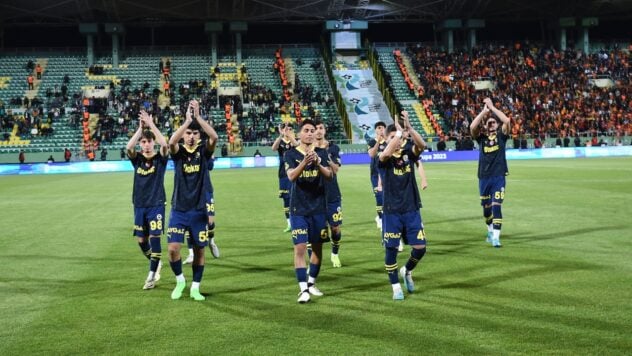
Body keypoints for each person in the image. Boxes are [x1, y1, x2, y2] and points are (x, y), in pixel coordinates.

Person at [166, 99, 218, 301]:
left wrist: (198, 118)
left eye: (195, 133)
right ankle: (180, 281)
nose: (190, 136)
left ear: (199, 135)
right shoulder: (178, 153)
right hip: (179, 209)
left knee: (199, 250)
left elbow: (213, 136)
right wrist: (187, 122)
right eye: (188, 133)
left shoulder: (203, 152)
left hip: (198, 210)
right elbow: (171, 142)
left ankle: (195, 287)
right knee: (173, 249)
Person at [378, 111, 428, 300]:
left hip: (411, 209)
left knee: (420, 248)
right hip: (391, 212)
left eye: (396, 137)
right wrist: (398, 135)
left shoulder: (408, 153)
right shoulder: (383, 159)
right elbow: (385, 154)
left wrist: (409, 128)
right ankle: (395, 287)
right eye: (391, 138)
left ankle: (406, 270)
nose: (395, 140)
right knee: (391, 251)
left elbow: (421, 145)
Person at [285, 119, 333, 303]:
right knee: (300, 247)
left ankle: (312, 283)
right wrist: (305, 162)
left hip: (319, 209)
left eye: (312, 130)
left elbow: (329, 175)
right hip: (299, 209)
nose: (310, 133)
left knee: (317, 248)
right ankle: (303, 289)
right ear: (299, 134)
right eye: (306, 130)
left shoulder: (321, 152)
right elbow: (291, 177)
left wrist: (319, 163)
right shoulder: (290, 154)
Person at [126, 110, 169, 290]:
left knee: (155, 239)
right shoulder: (137, 160)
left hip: (156, 204)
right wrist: (140, 129)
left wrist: (151, 125)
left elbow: (165, 145)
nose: (146, 145)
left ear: (153, 143)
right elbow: (129, 148)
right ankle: (155, 262)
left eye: (149, 141)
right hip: (139, 205)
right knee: (142, 241)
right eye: (143, 142)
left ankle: (151, 276)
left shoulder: (160, 159)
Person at [470, 98, 510, 248]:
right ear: (485, 126)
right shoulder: (481, 139)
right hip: (484, 177)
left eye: (494, 122)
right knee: (487, 210)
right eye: (489, 122)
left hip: (498, 177)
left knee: (496, 205)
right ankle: (490, 229)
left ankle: (496, 238)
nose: (492, 124)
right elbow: (472, 126)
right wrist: (484, 112)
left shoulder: (502, 136)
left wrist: (493, 108)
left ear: (497, 125)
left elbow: (507, 121)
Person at [315, 120, 343, 268]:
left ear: (325, 130)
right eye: (316, 128)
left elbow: (335, 169)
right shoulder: (309, 148)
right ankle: (314, 261)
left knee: (335, 228)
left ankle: (335, 254)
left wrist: (326, 154)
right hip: (314, 195)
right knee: (315, 231)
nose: (318, 131)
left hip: (332, 194)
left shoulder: (334, 148)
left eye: (321, 128)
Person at [184, 155, 220, 264]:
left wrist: (210, 157)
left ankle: (211, 241)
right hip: (190, 193)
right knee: (188, 223)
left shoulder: (204, 150)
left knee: (210, 220)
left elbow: (210, 166)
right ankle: (191, 253)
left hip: (206, 190)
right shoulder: (183, 153)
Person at [271, 123, 298, 232]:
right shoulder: (281, 141)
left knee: (295, 198)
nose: (288, 130)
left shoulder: (295, 141)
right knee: (286, 199)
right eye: (286, 129)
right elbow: (273, 148)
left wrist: (290, 136)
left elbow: (297, 146)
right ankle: (289, 224)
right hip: (283, 173)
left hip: (294, 173)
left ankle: (297, 221)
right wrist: (281, 135)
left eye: (290, 129)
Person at [367, 121, 387, 229]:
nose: (381, 130)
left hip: (386, 173)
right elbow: (371, 154)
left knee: (387, 197)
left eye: (383, 128)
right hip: (375, 174)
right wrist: (378, 142)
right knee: (379, 196)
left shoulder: (388, 142)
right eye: (379, 128)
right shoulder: (371, 142)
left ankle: (386, 217)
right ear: (375, 130)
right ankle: (380, 218)